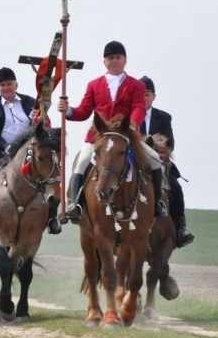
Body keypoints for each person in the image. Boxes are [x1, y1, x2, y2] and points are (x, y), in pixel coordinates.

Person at [56, 41, 168, 220]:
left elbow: (139, 107)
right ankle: (76, 204)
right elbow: (84, 111)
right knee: (81, 162)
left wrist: (132, 124)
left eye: (118, 57)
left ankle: (157, 202)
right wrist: (68, 110)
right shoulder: (94, 84)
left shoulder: (136, 85)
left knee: (154, 160)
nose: (114, 61)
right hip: (98, 136)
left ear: (125, 60)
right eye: (110, 58)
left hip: (125, 134)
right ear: (104, 62)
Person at [0, 68, 61, 236]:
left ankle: (52, 219)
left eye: (9, 84)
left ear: (16, 85)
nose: (6, 87)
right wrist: (5, 147)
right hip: (2, 151)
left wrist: (40, 119)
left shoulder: (31, 102)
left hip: (30, 150)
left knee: (50, 173)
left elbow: (42, 124)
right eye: (2, 85)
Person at [139, 76, 195, 247]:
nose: (144, 97)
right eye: (140, 94)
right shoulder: (129, 115)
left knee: (176, 188)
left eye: (147, 94)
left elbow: (169, 140)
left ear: (154, 96)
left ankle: (181, 229)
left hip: (159, 160)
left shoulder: (163, 117)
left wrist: (162, 151)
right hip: (136, 161)